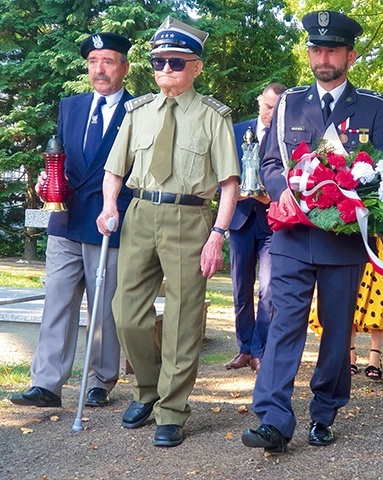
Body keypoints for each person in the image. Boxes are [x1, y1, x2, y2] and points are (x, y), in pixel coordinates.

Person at [241, 10, 383, 453]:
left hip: (343, 239)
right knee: (284, 321)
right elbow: (271, 163)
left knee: (335, 327)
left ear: (350, 54)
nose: (322, 57)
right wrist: (278, 190)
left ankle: (325, 410)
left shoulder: (373, 106)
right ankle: (273, 417)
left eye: (331, 49)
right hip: (290, 235)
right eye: (316, 49)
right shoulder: (289, 102)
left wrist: (359, 195)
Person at [96, 16, 239, 448]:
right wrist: (108, 207)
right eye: (158, 62)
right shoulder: (138, 111)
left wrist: (218, 235)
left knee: (182, 318)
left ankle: (172, 410)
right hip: (139, 213)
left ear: (196, 67)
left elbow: (230, 183)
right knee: (126, 312)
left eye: (174, 62)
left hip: (190, 218)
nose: (164, 70)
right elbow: (113, 170)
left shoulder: (213, 116)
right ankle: (148, 390)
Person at [10, 33, 133, 409]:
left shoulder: (139, 110)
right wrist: (50, 182)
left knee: (104, 306)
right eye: (94, 61)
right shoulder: (72, 105)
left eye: (108, 61)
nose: (99, 69)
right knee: (57, 302)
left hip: (106, 220)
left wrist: (116, 209)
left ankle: (100, 381)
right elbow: (59, 158)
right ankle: (46, 384)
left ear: (124, 67)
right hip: (65, 218)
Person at [226, 82, 286, 373]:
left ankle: (260, 349)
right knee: (240, 288)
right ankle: (244, 348)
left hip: (272, 221)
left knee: (269, 289)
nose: (269, 113)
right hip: (239, 218)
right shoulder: (237, 130)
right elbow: (221, 169)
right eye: (267, 105)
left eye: (276, 108)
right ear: (259, 100)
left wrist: (269, 194)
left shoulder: (288, 133)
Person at [308, 237, 383, 380]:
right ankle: (349, 352)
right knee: (351, 292)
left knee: (381, 297)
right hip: (355, 236)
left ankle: (375, 356)